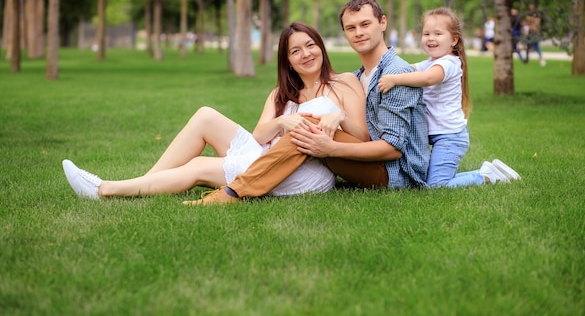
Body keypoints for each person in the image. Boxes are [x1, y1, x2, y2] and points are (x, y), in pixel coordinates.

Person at [62, 22, 369, 200]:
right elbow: (261, 135)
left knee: (197, 166)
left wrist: (338, 116)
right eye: (295, 51)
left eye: (310, 45)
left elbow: (364, 136)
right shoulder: (281, 93)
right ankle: (145, 182)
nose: (306, 54)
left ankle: (107, 190)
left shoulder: (343, 84)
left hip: (305, 171)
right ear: (287, 60)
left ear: (321, 47)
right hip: (267, 154)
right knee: (206, 114)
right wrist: (283, 120)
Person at [183, 0, 429, 205]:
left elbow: (394, 150)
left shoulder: (395, 73)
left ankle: (234, 192)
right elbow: (363, 134)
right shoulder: (360, 75)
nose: (359, 33)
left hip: (396, 175)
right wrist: (336, 120)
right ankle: (236, 187)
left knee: (308, 124)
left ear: (383, 23)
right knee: (310, 123)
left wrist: (331, 148)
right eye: (351, 28)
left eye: (365, 24)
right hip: (365, 163)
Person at [377, 7, 520, 187]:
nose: (430, 38)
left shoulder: (449, 63)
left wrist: (394, 80)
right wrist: (386, 68)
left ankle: (486, 177)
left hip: (450, 137)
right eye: (426, 33)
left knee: (436, 185)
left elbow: (428, 79)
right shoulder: (430, 62)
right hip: (438, 135)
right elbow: (409, 68)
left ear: (453, 40)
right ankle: (485, 171)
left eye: (438, 33)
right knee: (428, 179)